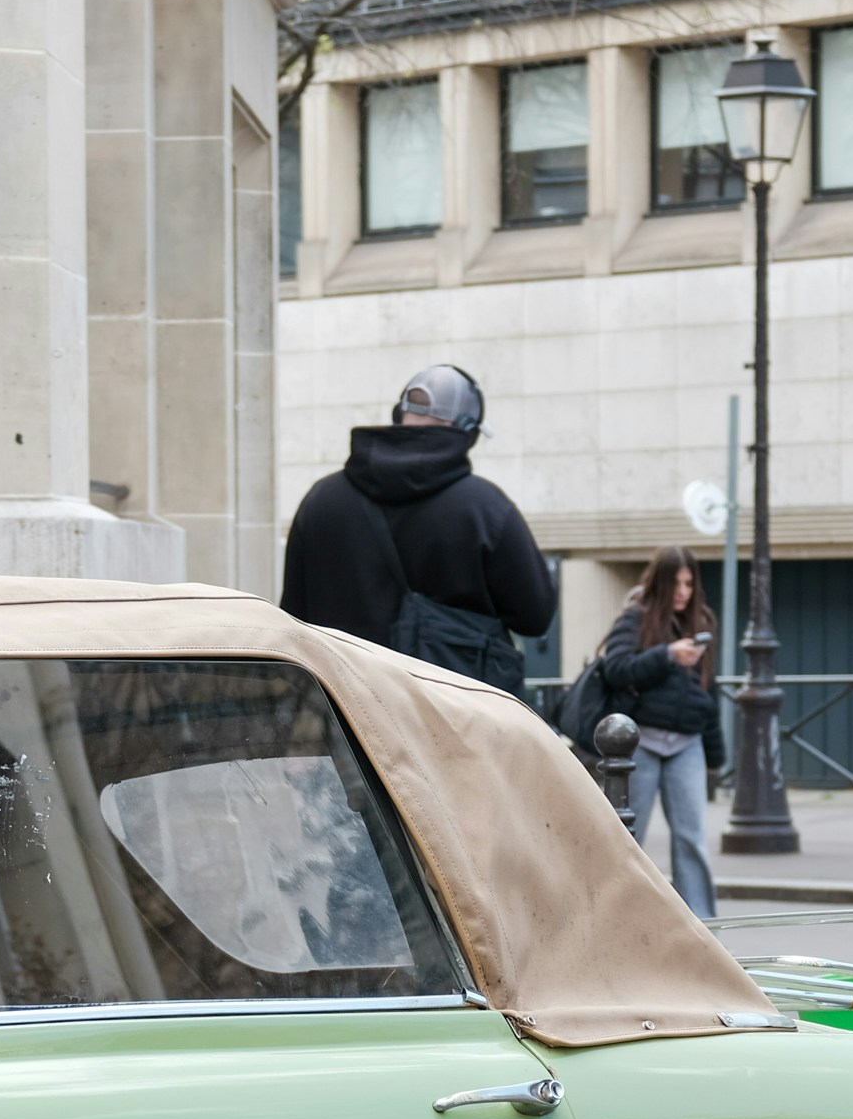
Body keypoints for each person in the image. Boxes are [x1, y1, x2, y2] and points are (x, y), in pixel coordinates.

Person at [277, 365, 559, 696]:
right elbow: (535, 616)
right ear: (468, 431)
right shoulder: (485, 508)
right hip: (453, 715)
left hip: (345, 714)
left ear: (400, 414)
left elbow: (293, 619)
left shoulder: (321, 501)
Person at [593, 548, 726, 921]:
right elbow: (617, 668)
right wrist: (667, 655)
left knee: (692, 840)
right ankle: (618, 922)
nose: (683, 591)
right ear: (660, 582)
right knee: (629, 840)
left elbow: (705, 691)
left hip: (688, 744)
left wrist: (716, 754)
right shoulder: (635, 619)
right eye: (676, 583)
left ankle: (703, 930)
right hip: (641, 743)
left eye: (689, 583)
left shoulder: (700, 622)